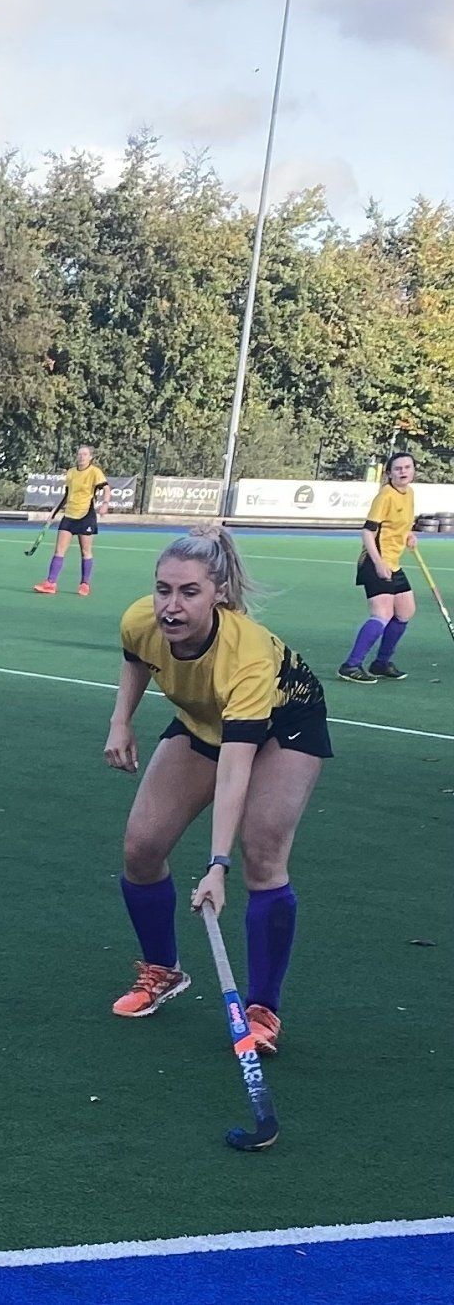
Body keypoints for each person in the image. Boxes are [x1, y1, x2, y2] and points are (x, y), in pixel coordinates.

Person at [102, 526, 329, 1056]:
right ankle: (163, 970)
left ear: (219, 593)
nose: (171, 606)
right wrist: (121, 721)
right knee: (142, 847)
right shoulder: (139, 619)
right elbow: (137, 659)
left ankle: (262, 1008)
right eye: (163, 590)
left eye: (189, 592)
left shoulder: (245, 654)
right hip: (205, 720)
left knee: (263, 854)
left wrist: (217, 866)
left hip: (285, 725)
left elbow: (234, 769)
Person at [339, 451, 420, 683]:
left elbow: (399, 524)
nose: (403, 472)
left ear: (413, 470)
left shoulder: (409, 493)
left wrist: (409, 534)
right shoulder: (385, 495)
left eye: (407, 467)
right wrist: (378, 563)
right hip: (375, 562)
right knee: (382, 614)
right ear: (389, 473)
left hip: (394, 563)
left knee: (405, 611)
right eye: (398, 468)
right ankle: (351, 665)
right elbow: (368, 532)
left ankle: (381, 663)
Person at [34, 445, 110, 595]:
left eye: (85, 454)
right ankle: (50, 583)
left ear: (90, 457)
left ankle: (84, 584)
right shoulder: (71, 472)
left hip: (86, 516)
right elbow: (67, 495)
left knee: (85, 551)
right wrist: (54, 512)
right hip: (69, 516)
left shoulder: (95, 472)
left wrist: (105, 504)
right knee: (59, 550)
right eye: (80, 454)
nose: (81, 457)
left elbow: (106, 489)